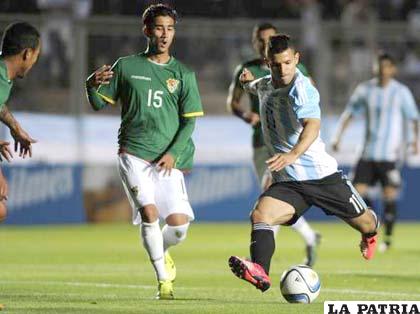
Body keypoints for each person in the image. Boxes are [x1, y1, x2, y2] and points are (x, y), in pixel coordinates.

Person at [228, 34, 379, 292]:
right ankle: (260, 271)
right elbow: (256, 87)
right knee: (261, 215)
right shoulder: (265, 84)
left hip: (322, 177)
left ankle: (371, 234)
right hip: (289, 181)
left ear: (296, 59)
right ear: (268, 63)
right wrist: (246, 84)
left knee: (366, 222)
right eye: (276, 65)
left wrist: (293, 154)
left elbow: (312, 125)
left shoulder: (302, 88)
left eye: (288, 63)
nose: (283, 69)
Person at [85, 4, 203, 300]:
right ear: (147, 30)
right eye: (159, 28)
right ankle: (164, 282)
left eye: (170, 29)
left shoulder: (184, 74)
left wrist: (174, 153)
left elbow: (190, 123)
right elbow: (99, 104)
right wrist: (90, 85)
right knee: (149, 213)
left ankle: (161, 251)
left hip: (167, 160)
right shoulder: (126, 66)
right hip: (133, 154)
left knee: (178, 228)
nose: (165, 34)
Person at [227, 22, 320, 267]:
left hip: (286, 144)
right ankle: (310, 237)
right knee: (272, 198)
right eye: (260, 40)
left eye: (268, 39)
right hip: (261, 142)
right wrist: (247, 116)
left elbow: (311, 95)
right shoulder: (246, 69)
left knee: (271, 195)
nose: (263, 43)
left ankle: (260, 261)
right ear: (255, 42)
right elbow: (233, 102)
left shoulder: (293, 67)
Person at [332, 52, 419, 252]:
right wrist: (338, 137)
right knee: (358, 193)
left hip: (389, 154)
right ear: (375, 68)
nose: (383, 70)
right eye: (380, 67)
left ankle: (388, 238)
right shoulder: (365, 90)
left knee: (390, 194)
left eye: (387, 67)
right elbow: (349, 113)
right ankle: (371, 228)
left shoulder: (401, 92)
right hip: (367, 152)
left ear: (393, 69)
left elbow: (413, 117)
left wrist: (415, 141)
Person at [0, 22, 40, 222]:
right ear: (27, 54)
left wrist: (15, 128)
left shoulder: (3, 78)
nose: (34, 62)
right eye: (36, 56)